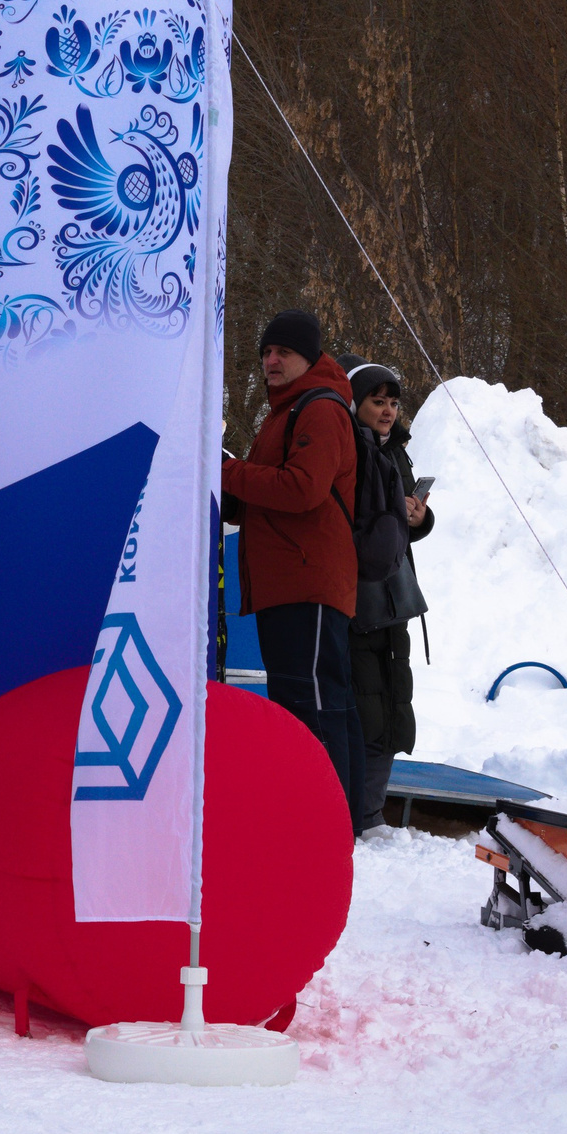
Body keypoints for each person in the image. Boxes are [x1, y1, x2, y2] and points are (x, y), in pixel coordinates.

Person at [222, 309, 362, 817]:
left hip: (309, 581)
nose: (271, 360)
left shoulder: (320, 408)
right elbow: (261, 488)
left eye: (283, 351)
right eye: (265, 352)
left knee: (314, 706)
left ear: (310, 356)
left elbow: (303, 488)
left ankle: (328, 824)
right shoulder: (281, 415)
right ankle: (318, 821)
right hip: (286, 583)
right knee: (305, 703)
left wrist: (230, 474)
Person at [341, 356, 434, 832]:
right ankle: (356, 813)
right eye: (378, 402)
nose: (388, 411)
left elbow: (398, 528)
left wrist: (418, 517)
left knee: (394, 705)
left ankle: (371, 811)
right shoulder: (346, 448)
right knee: (365, 706)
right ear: (355, 402)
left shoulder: (396, 450)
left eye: (394, 403)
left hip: (395, 596)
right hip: (357, 599)